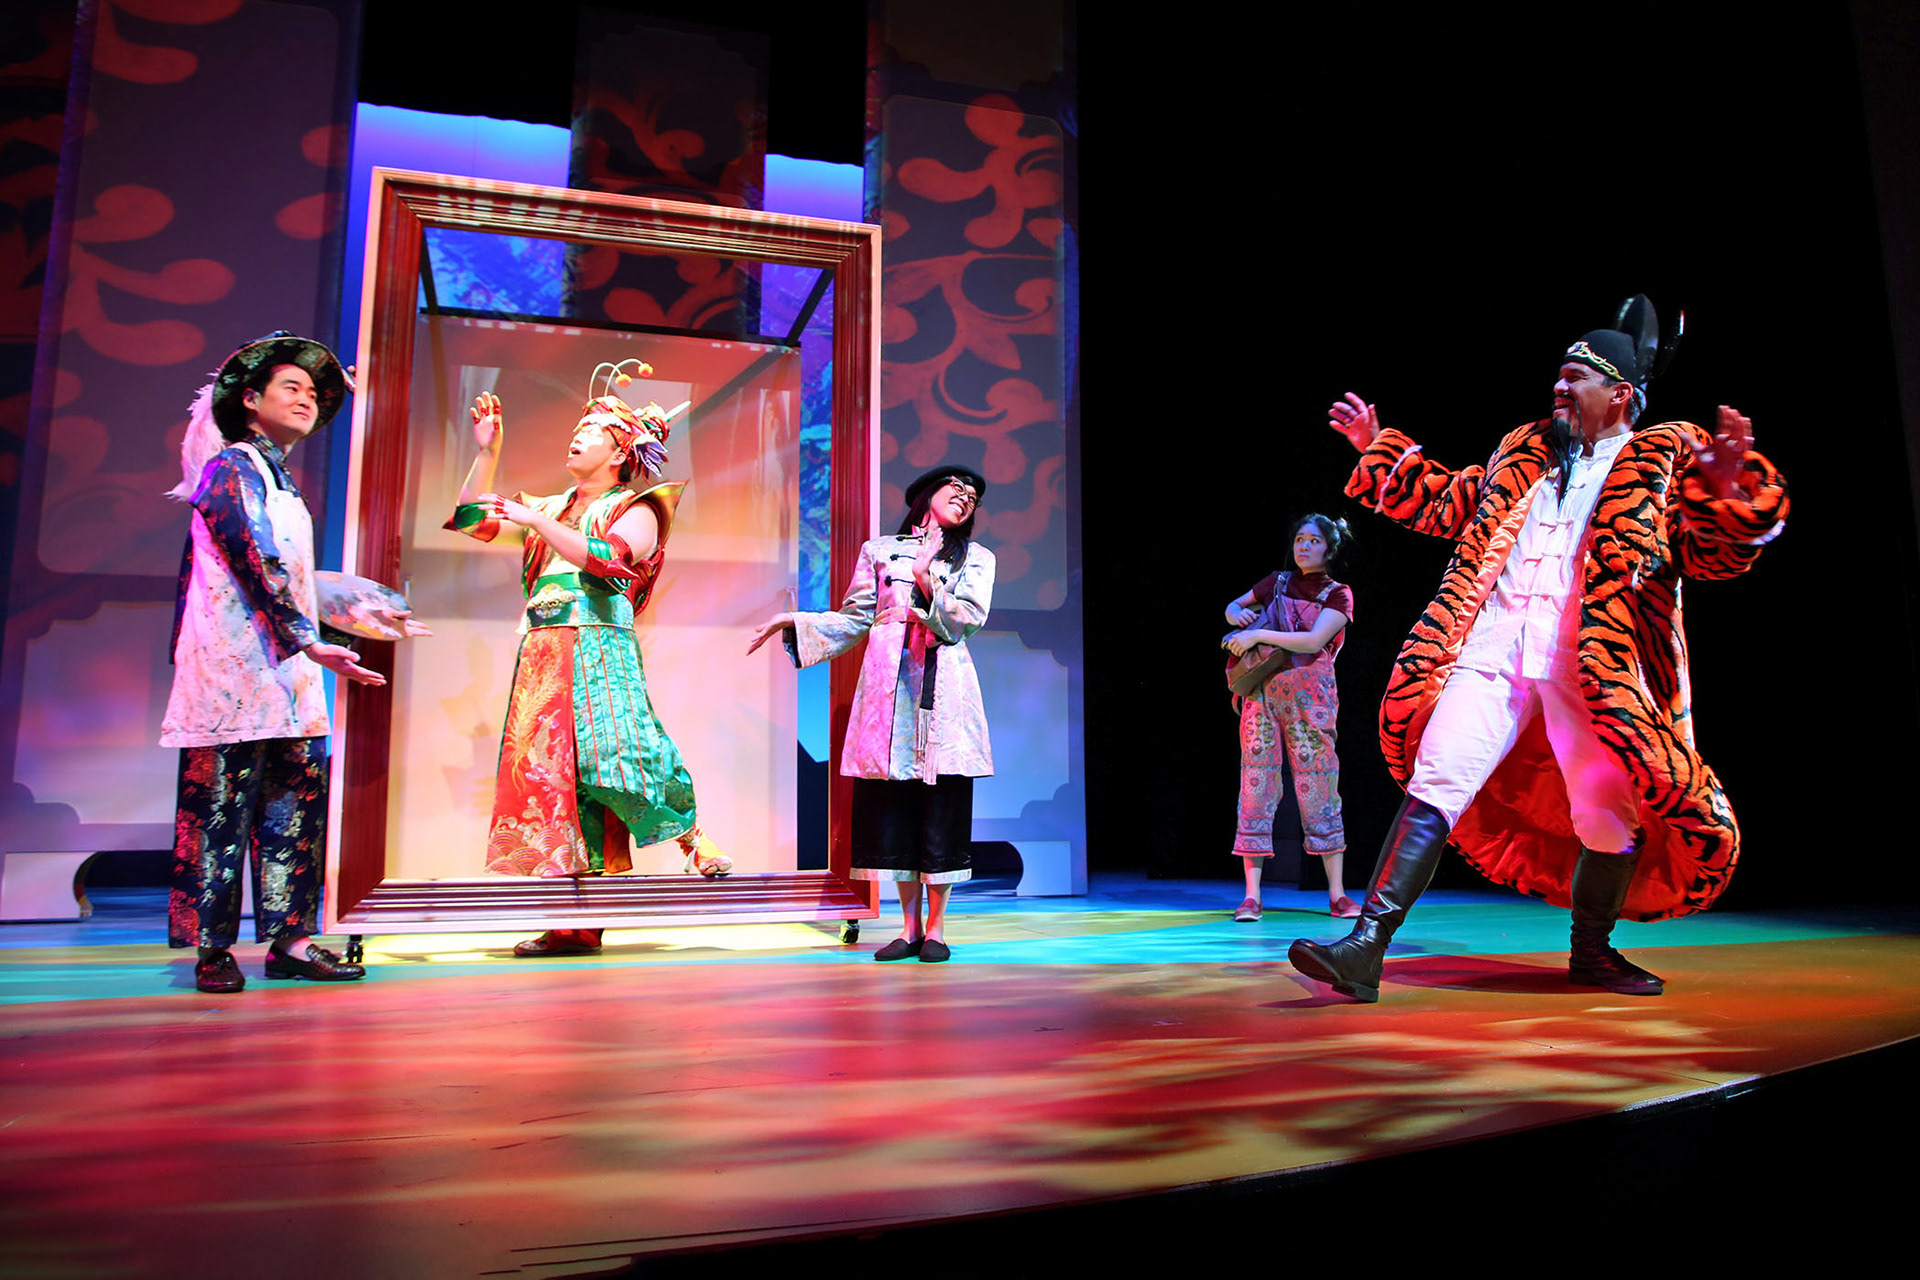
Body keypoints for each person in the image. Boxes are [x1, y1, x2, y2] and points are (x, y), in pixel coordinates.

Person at [1289, 296, 1788, 1002]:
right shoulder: (1524, 454)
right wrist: (1379, 452)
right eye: (1560, 373)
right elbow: (1450, 499)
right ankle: (1365, 946)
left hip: (1594, 670)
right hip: (1493, 650)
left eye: (1576, 377)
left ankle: (1592, 953)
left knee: (1605, 815)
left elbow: (1712, 554)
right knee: (1438, 778)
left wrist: (1728, 493)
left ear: (1620, 394)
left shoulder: (1658, 467)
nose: (1559, 385)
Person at [162, 332, 427, 994]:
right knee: (219, 808)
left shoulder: (279, 478)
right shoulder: (231, 469)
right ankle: (212, 948)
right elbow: (253, 557)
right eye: (291, 387)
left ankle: (292, 940)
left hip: (287, 670)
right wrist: (307, 638)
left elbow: (297, 577)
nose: (307, 398)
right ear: (250, 400)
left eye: (314, 391)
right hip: (230, 668)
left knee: (294, 807)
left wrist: (365, 613)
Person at [446, 359, 729, 959]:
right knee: (553, 781)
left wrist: (535, 520)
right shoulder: (550, 507)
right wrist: (487, 453)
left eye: (591, 429)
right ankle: (572, 923)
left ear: (621, 448)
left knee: (618, 754)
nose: (576, 436)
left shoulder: (640, 506)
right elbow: (471, 518)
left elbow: (609, 560)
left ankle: (691, 837)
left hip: (598, 641)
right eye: (576, 427)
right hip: (543, 647)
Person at [747, 466, 993, 963]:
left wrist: (926, 579)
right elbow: (855, 617)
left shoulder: (977, 558)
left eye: (973, 497)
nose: (966, 498)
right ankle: (908, 928)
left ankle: (937, 929)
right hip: (888, 691)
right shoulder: (879, 550)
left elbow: (966, 620)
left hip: (942, 690)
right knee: (895, 805)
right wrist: (795, 620)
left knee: (940, 805)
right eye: (957, 488)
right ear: (928, 494)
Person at [1222, 514, 1356, 922]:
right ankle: (1251, 896)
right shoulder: (1276, 583)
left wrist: (1257, 634)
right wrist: (1237, 615)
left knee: (1319, 787)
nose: (1304, 546)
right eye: (1299, 539)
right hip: (1261, 695)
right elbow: (1233, 606)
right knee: (1256, 785)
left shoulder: (1339, 594)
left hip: (1311, 700)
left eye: (1313, 540)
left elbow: (1313, 641)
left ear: (1329, 548)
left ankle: (1337, 894)